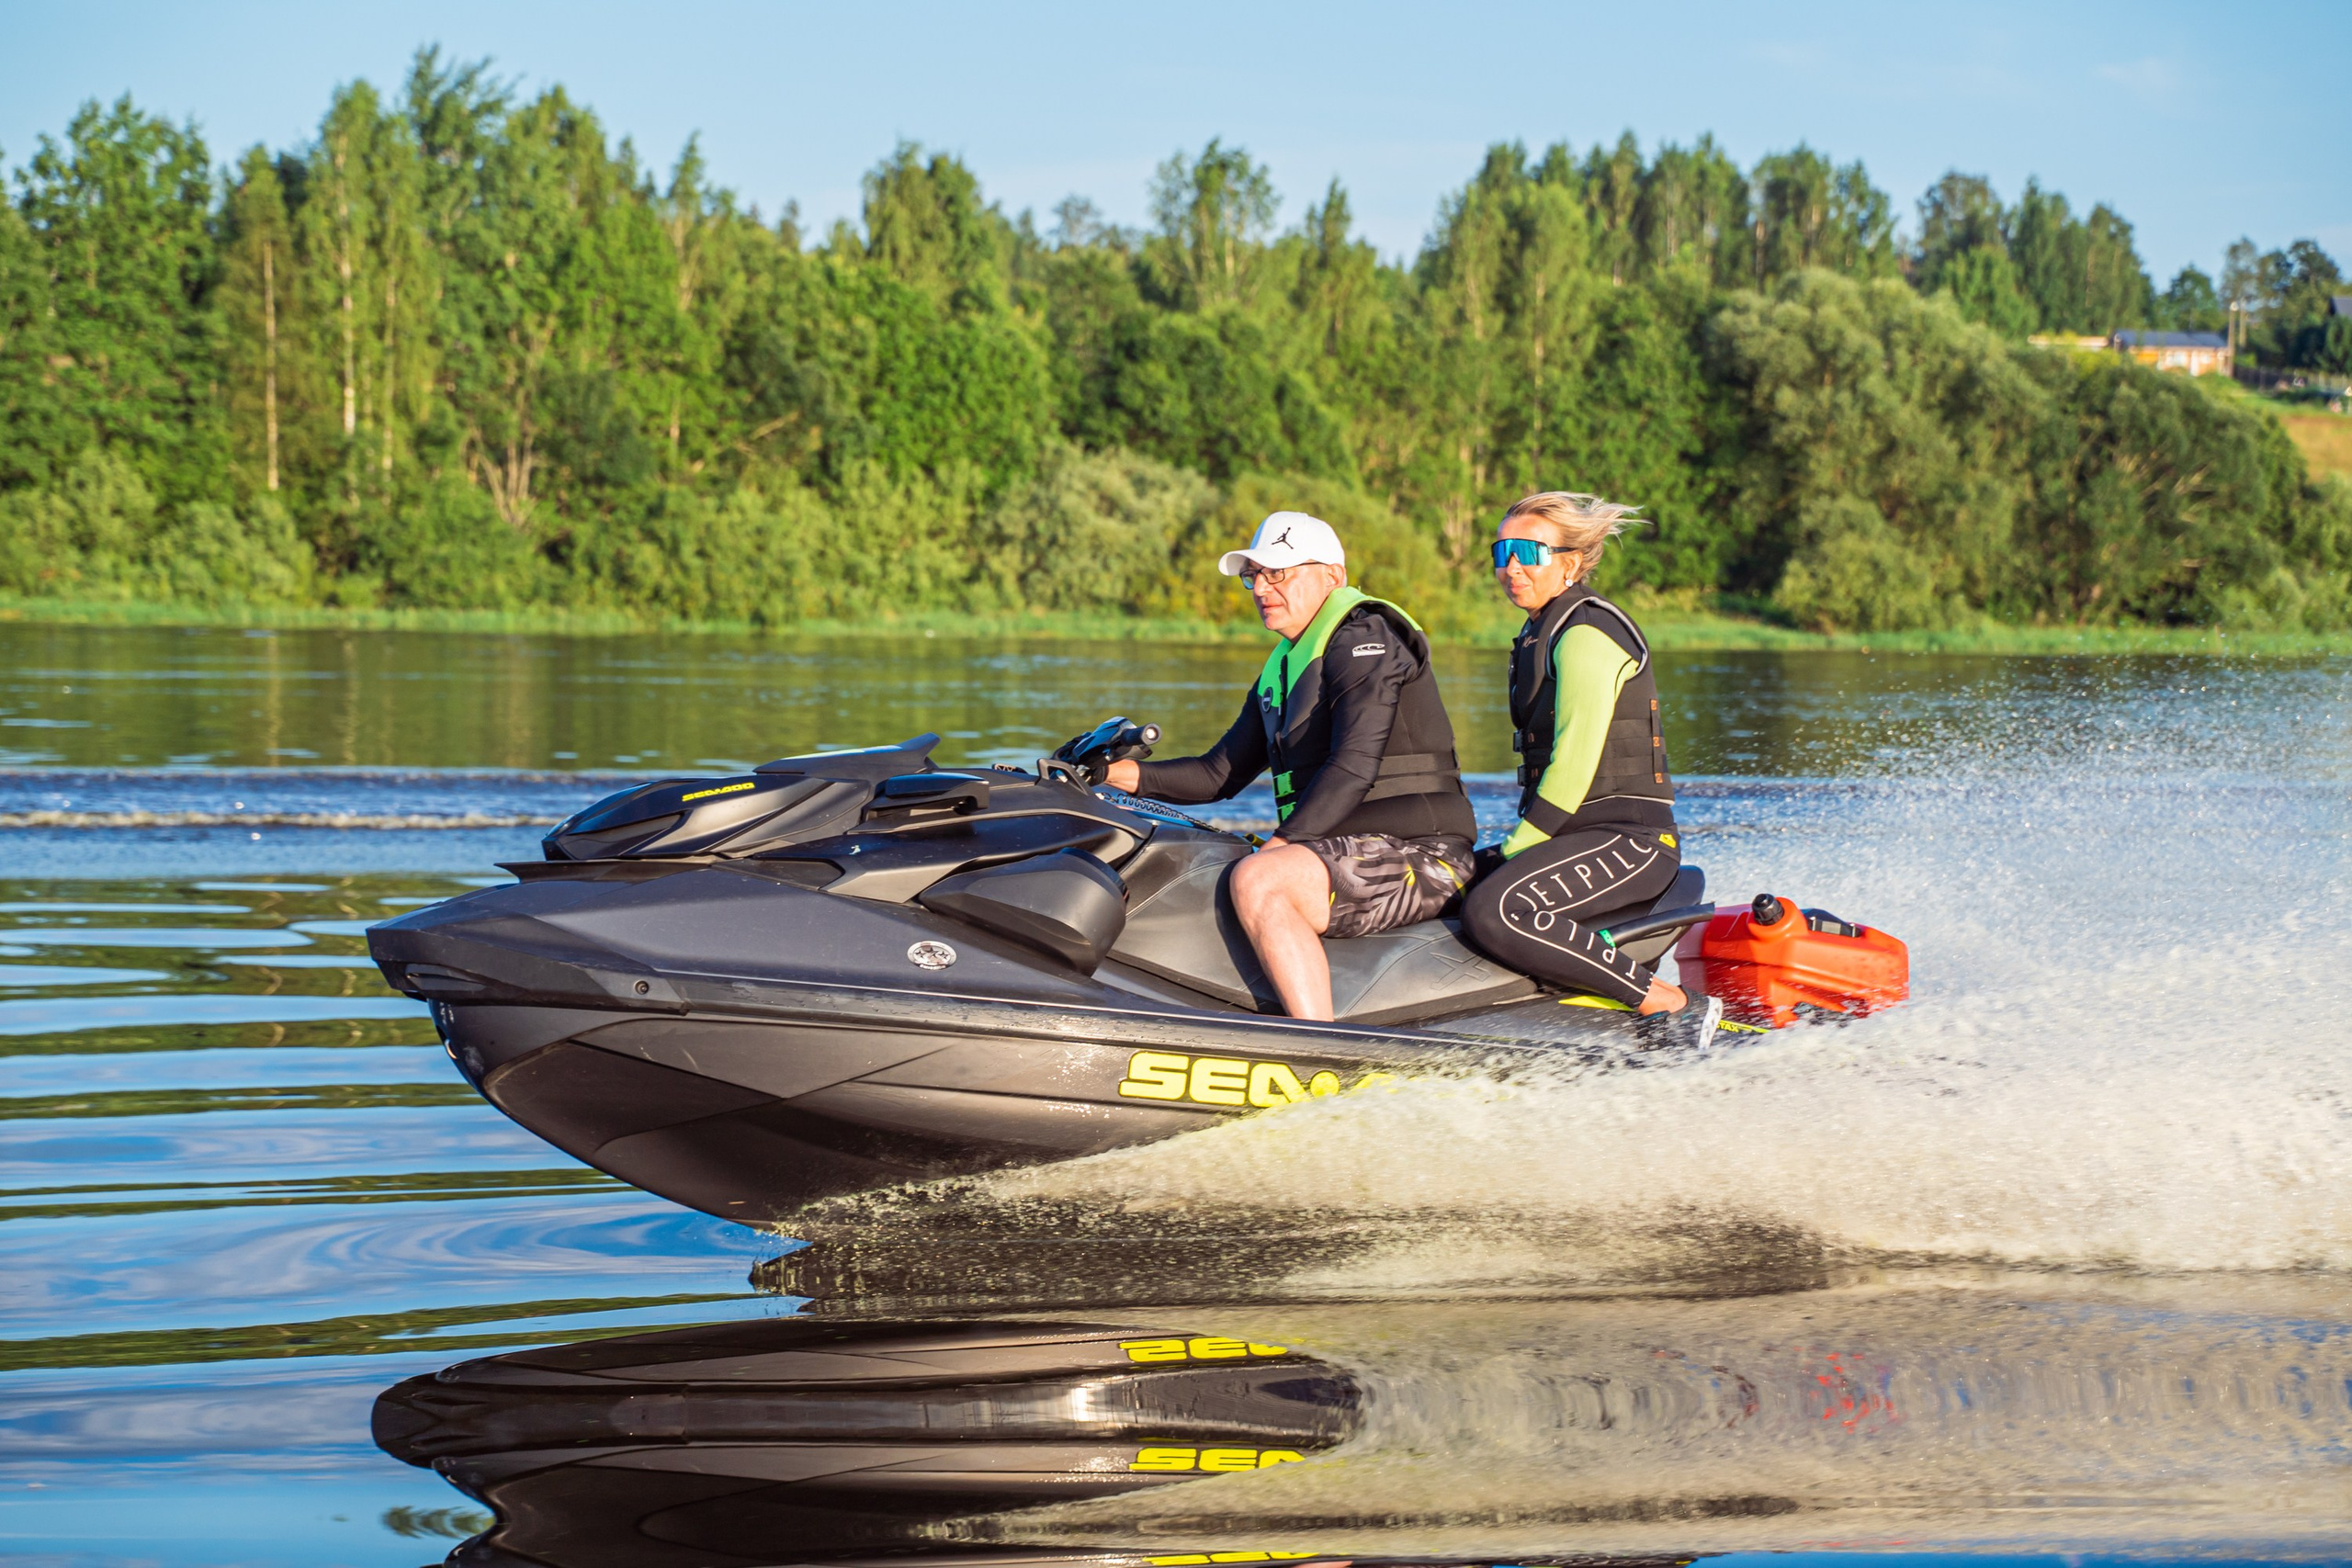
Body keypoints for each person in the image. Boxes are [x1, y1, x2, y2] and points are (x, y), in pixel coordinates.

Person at [1102, 511, 1476, 1021]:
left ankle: (1318, 1045)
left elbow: (1353, 767)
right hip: (1345, 850)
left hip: (1424, 855)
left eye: (1279, 573)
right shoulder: (1284, 666)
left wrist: (1279, 846)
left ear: (1333, 578)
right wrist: (1110, 778)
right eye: (1253, 575)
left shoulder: (1367, 639)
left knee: (1262, 879)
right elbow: (1218, 773)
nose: (1261, 588)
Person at [1458, 491, 1722, 1049]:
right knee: (1449, 885)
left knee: (1497, 908)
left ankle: (1669, 1003)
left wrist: (1515, 847)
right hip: (1577, 838)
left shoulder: (1585, 632)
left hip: (1631, 842)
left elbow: (1574, 763)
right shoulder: (1538, 631)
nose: (1511, 565)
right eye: (1502, 550)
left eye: (1528, 551)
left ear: (1570, 563)